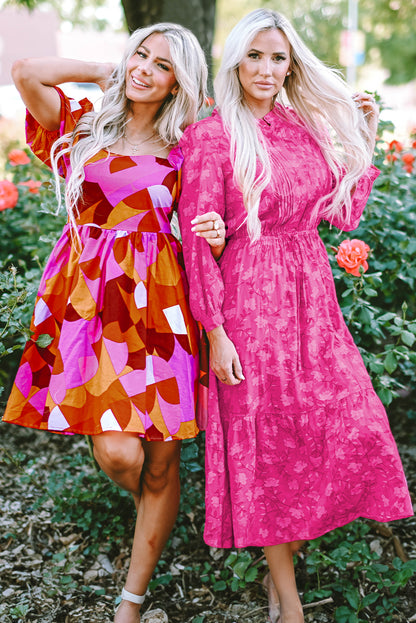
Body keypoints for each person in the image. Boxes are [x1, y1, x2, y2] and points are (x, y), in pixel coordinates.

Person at [178, 9, 413, 623]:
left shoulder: (299, 126)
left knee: (349, 422)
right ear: (235, 61)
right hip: (249, 301)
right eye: (254, 56)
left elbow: (343, 213)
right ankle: (289, 605)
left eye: (277, 57)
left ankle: (287, 568)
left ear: (292, 64)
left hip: (312, 298)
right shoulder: (211, 136)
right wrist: (216, 333)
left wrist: (364, 133)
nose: (266, 69)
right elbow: (195, 244)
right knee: (272, 447)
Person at [2, 23, 226, 623]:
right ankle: (161, 509)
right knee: (122, 455)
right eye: (140, 56)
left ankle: (132, 598)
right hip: (90, 307)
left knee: (160, 456)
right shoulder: (82, 125)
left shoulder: (187, 148)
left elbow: (215, 216)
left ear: (182, 81)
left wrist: (215, 230)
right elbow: (26, 71)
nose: (146, 70)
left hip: (161, 310)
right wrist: (106, 74)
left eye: (163, 65)